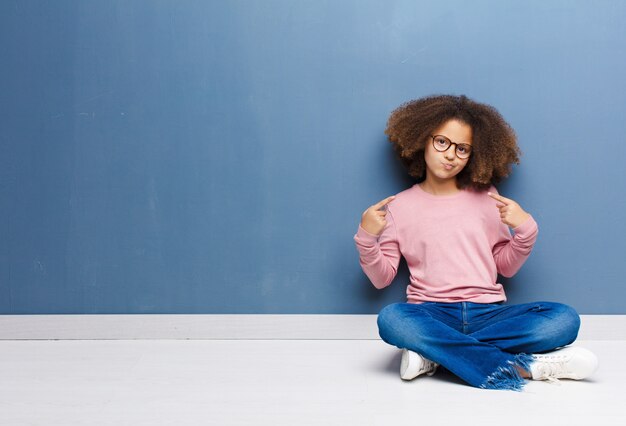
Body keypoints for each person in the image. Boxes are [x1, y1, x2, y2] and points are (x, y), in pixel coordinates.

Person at [353, 94, 598, 391]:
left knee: (563, 320)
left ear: (474, 154)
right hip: (431, 313)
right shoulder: (398, 207)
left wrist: (525, 229)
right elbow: (382, 279)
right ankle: (528, 367)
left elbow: (504, 268)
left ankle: (434, 357)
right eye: (442, 142)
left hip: (489, 313)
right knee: (392, 319)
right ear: (422, 140)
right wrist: (367, 237)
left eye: (462, 148)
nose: (451, 155)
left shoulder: (487, 198)